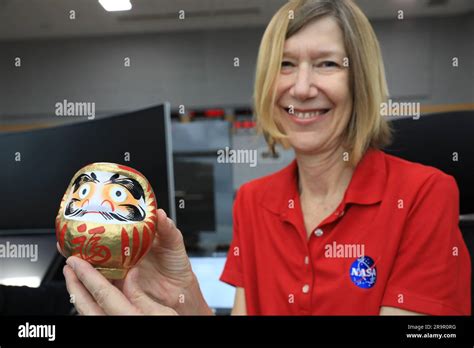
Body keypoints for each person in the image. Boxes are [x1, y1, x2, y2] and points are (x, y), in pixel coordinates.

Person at [63, 0, 471, 315]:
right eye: (285, 65)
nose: (303, 87)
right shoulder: (254, 201)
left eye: (326, 64)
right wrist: (183, 296)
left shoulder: (425, 195)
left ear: (360, 79)